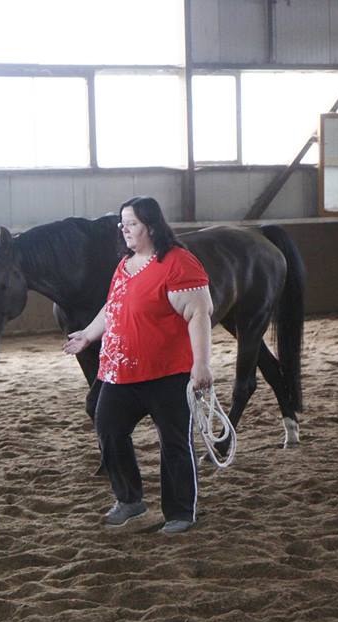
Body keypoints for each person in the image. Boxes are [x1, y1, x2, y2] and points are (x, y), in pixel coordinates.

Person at [63, 196, 213, 535]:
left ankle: (180, 512)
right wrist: (87, 335)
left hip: (167, 373)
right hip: (120, 372)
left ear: (152, 226)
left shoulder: (179, 263)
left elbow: (199, 313)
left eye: (132, 224)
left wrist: (201, 363)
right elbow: (114, 306)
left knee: (174, 441)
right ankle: (129, 499)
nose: (125, 230)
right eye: (123, 224)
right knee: (108, 427)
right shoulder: (126, 264)